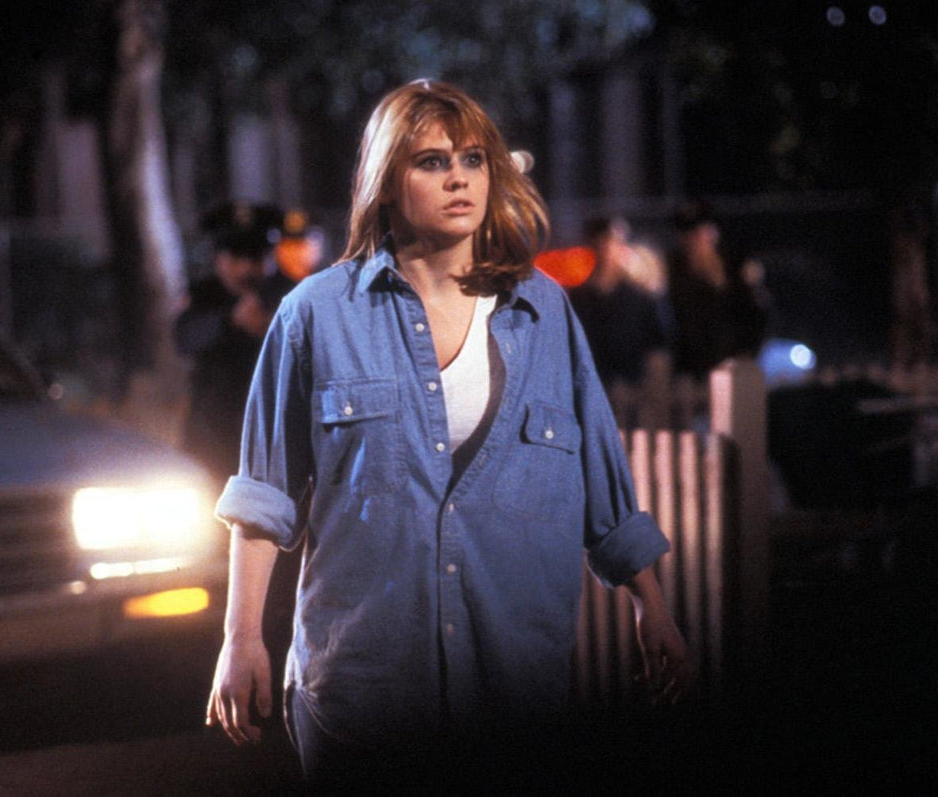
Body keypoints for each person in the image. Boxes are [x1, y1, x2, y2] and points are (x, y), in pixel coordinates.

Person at [205, 79, 693, 790]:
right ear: (386, 181)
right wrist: (240, 637)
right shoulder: (316, 314)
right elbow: (263, 494)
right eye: (431, 161)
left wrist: (653, 605)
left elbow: (599, 473)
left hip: (517, 684)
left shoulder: (543, 310)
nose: (458, 178)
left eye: (472, 159)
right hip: (367, 691)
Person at [173, 200, 292, 485]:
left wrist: (271, 328)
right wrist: (229, 321)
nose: (247, 269)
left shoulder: (291, 294)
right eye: (236, 257)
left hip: (275, 441)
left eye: (256, 257)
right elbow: (185, 338)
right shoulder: (203, 293)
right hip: (212, 438)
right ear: (219, 258)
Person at [569, 215, 673, 428]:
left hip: (634, 398)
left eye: (615, 243)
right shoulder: (577, 300)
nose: (609, 250)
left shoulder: (641, 298)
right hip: (591, 399)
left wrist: (652, 395)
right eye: (603, 242)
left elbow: (658, 349)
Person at [668, 200, 769, 383]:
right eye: (689, 235)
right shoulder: (674, 273)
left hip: (735, 366)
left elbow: (758, 315)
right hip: (692, 372)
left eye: (701, 232)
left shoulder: (735, 268)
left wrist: (748, 353)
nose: (696, 241)